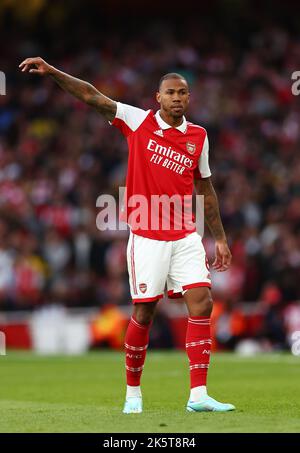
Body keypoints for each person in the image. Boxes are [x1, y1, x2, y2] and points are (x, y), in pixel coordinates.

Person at [19, 57, 235, 413]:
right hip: (148, 236)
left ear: (189, 98)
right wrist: (53, 72)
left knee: (203, 302)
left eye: (183, 92)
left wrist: (221, 238)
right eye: (170, 92)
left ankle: (198, 395)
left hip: (185, 234)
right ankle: (133, 394)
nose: (177, 98)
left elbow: (206, 188)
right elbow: (92, 97)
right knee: (145, 312)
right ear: (158, 97)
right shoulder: (138, 121)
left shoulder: (199, 137)